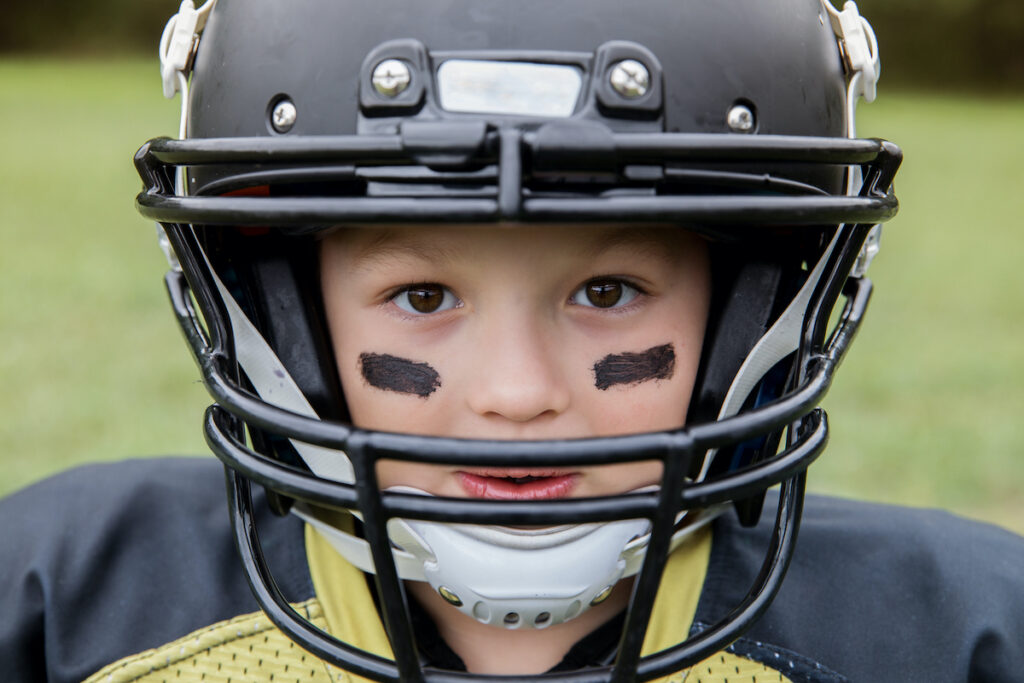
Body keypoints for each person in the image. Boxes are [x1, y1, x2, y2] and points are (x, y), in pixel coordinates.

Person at [2, 0, 1023, 681]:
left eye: (609, 288)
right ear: (275, 309)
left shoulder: (957, 637)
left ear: (757, 305)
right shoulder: (65, 602)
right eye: (421, 294)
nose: (515, 391)